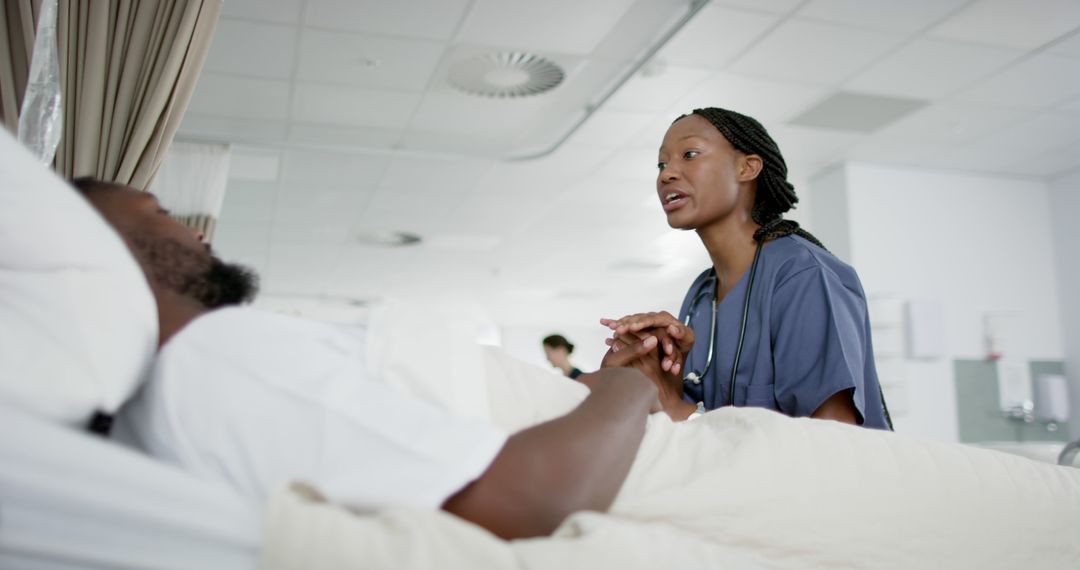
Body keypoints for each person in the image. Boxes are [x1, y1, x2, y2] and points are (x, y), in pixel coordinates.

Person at [70, 177, 669, 541]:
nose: (194, 232)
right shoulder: (211, 359)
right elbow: (536, 497)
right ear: (100, 248)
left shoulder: (199, 369)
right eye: (158, 213)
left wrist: (609, 386)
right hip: (639, 450)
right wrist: (628, 389)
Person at [601, 107, 891, 429]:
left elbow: (834, 438)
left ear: (747, 167)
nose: (667, 174)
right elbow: (700, 420)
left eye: (690, 154)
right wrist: (659, 376)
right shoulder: (701, 294)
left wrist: (677, 410)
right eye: (662, 163)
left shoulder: (803, 275)